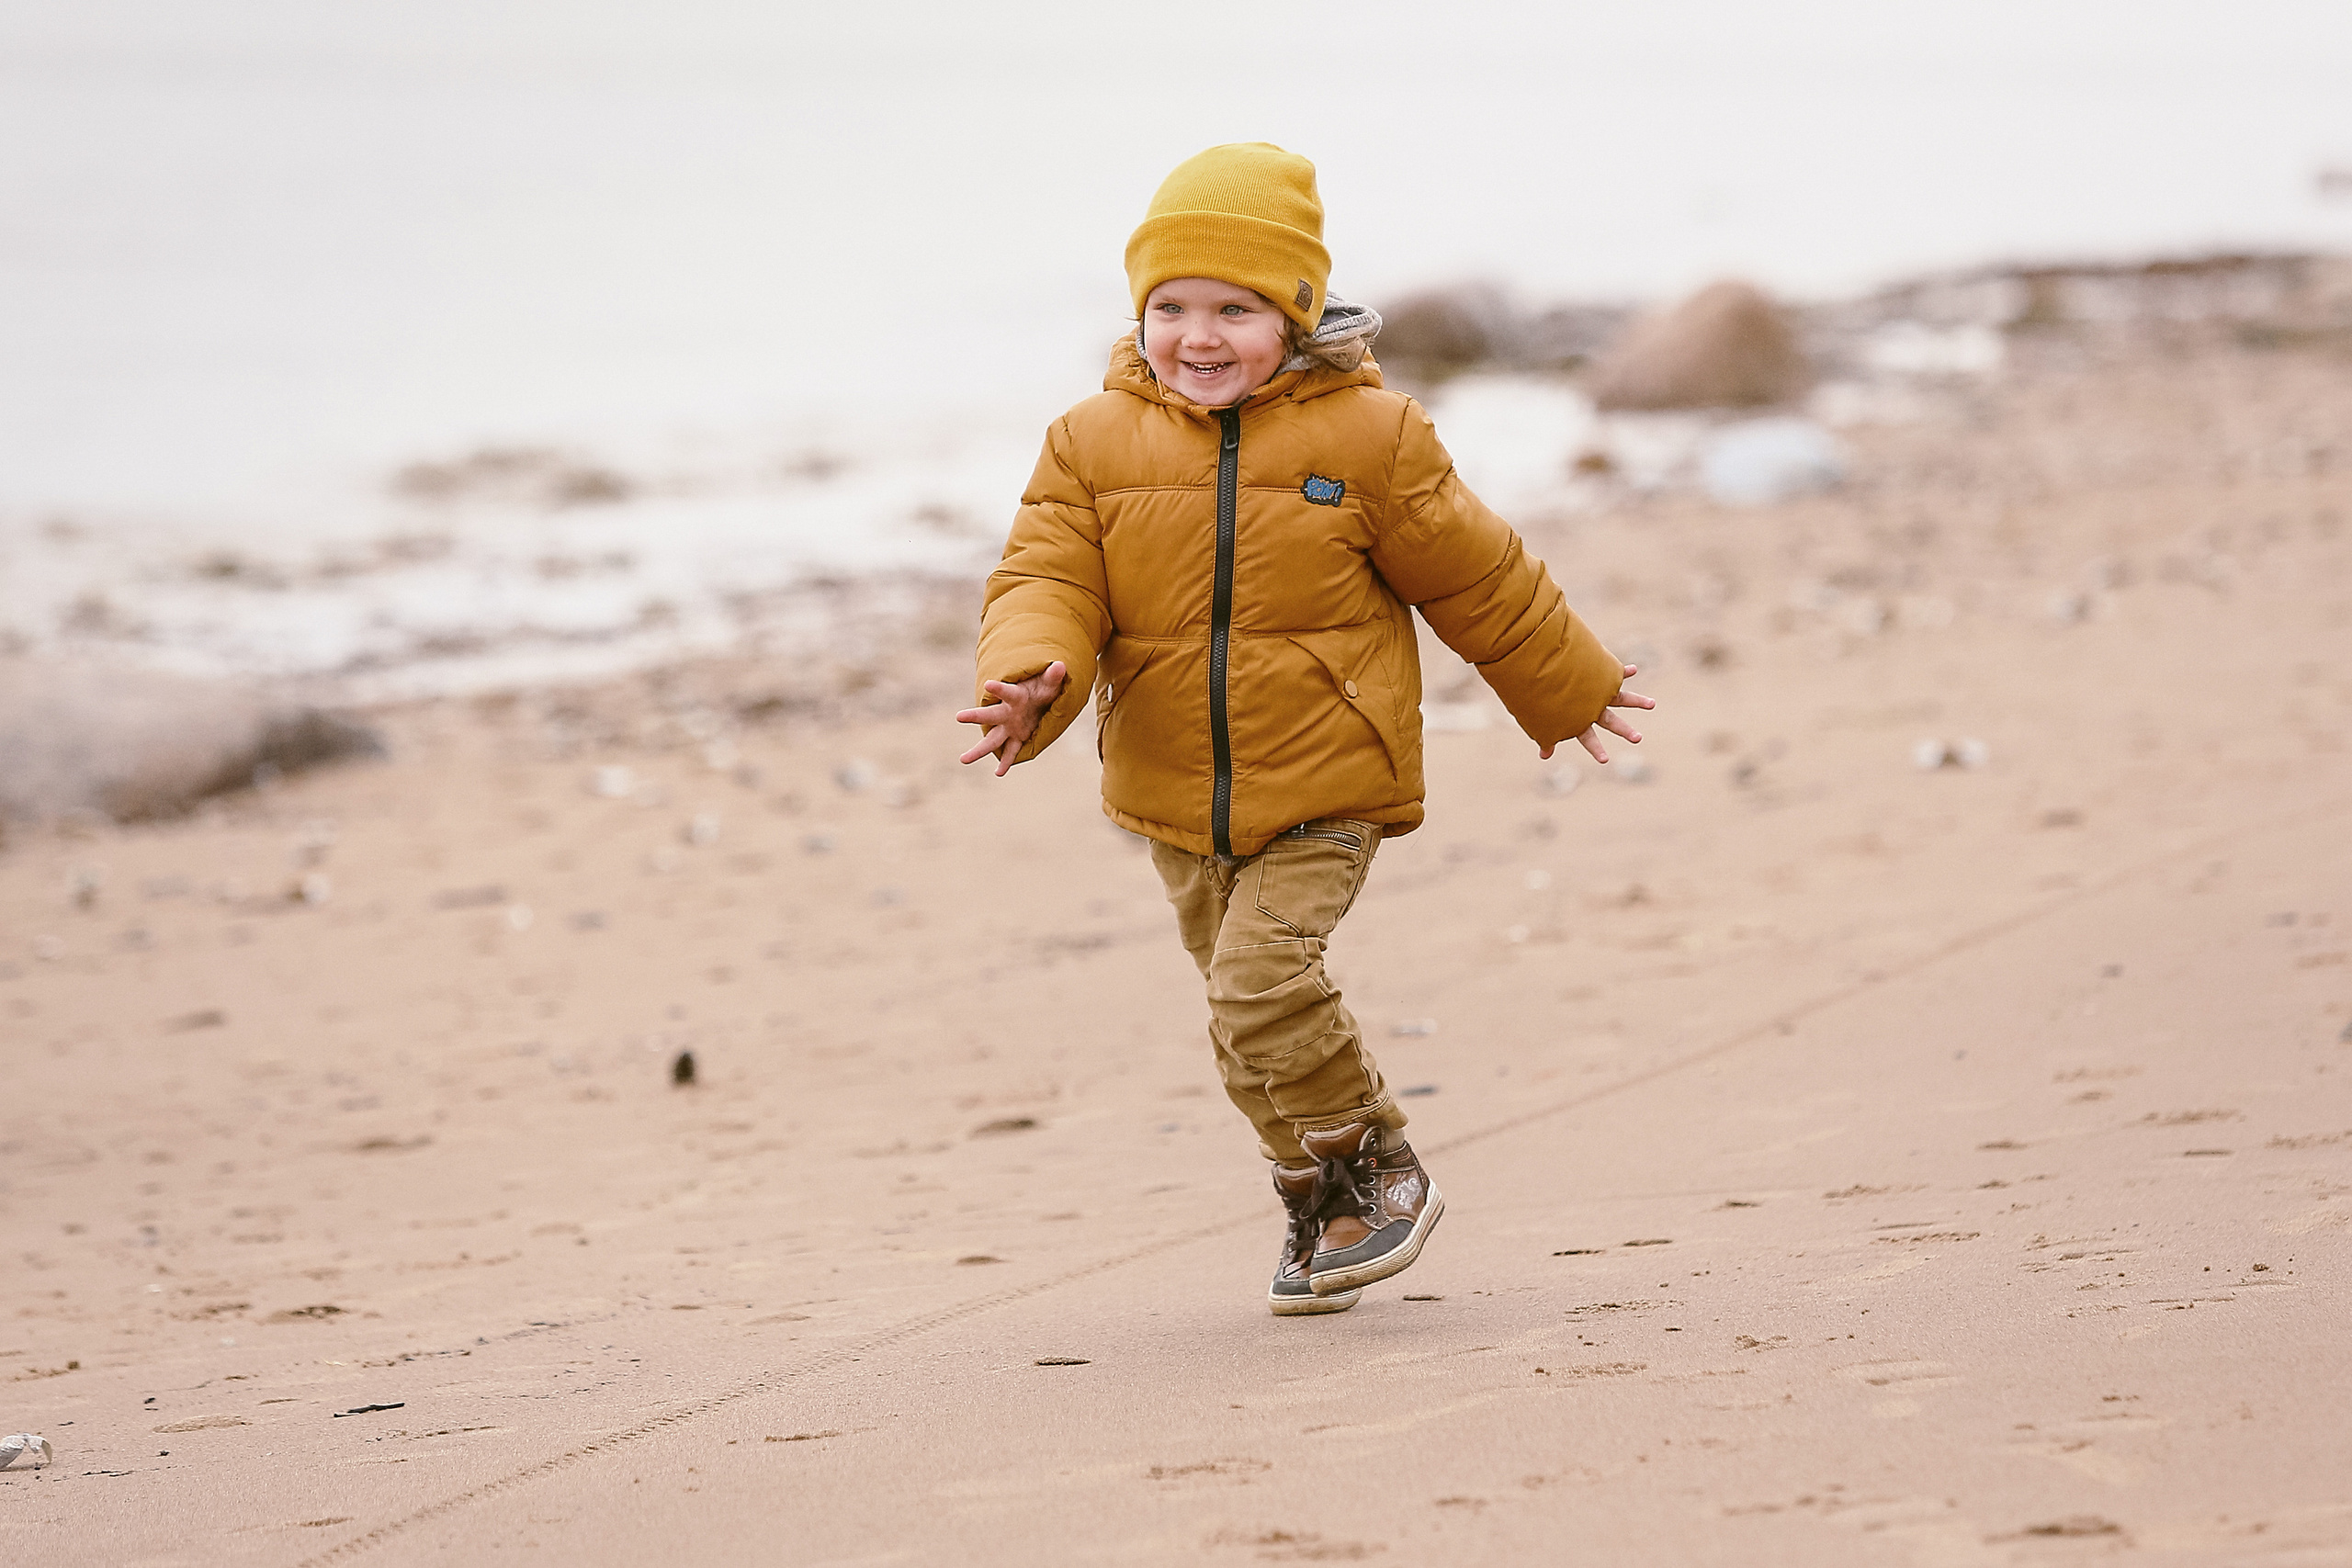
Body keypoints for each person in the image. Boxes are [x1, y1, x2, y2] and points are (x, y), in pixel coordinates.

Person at [956, 142, 1652, 1316]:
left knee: (1261, 983)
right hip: (1174, 788)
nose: (1199, 336)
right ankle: (1314, 1194)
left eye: (1235, 307)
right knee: (1238, 1030)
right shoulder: (1090, 442)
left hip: (1330, 775)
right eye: (1170, 307)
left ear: (1297, 312)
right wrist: (1032, 679)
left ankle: (1376, 1169)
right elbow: (1046, 581)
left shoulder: (1369, 438)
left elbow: (1474, 574)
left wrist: (1562, 684)